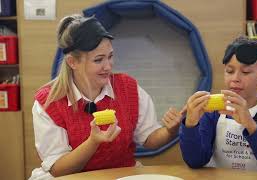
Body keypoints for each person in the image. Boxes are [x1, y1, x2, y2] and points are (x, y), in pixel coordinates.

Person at [29, 14, 182, 179]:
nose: (108, 66)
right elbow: (58, 169)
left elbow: (149, 139)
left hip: (123, 174)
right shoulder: (49, 103)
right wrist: (93, 142)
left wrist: (170, 130)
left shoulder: (128, 88)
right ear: (72, 62)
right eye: (98, 60)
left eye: (110, 56)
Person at [178, 36, 257, 177]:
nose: (235, 78)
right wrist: (190, 124)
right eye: (230, 71)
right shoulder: (212, 112)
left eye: (245, 72)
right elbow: (195, 161)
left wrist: (250, 125)